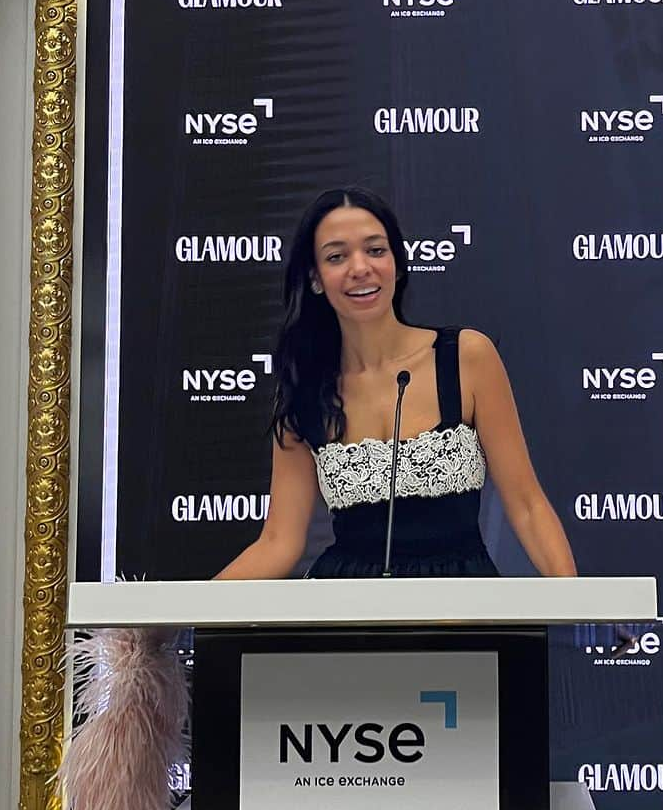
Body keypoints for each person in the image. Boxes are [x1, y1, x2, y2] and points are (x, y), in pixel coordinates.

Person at [213, 186, 577, 580]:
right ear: (316, 278)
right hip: (345, 605)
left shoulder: (466, 356)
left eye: (375, 250)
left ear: (398, 264)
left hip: (461, 601)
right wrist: (174, 617)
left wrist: (579, 607)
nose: (360, 268)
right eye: (337, 256)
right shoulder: (304, 389)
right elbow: (278, 543)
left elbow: (526, 504)